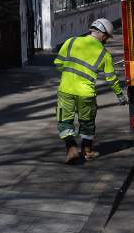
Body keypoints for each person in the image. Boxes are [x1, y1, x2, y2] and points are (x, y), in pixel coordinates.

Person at [54, 17, 126, 164]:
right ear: (101, 33)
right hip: (86, 93)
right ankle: (87, 151)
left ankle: (71, 146)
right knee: (87, 122)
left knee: (64, 121)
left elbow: (58, 64)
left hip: (65, 89)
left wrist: (70, 74)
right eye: (106, 37)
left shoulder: (71, 41)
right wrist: (120, 96)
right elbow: (111, 79)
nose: (106, 40)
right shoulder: (104, 54)